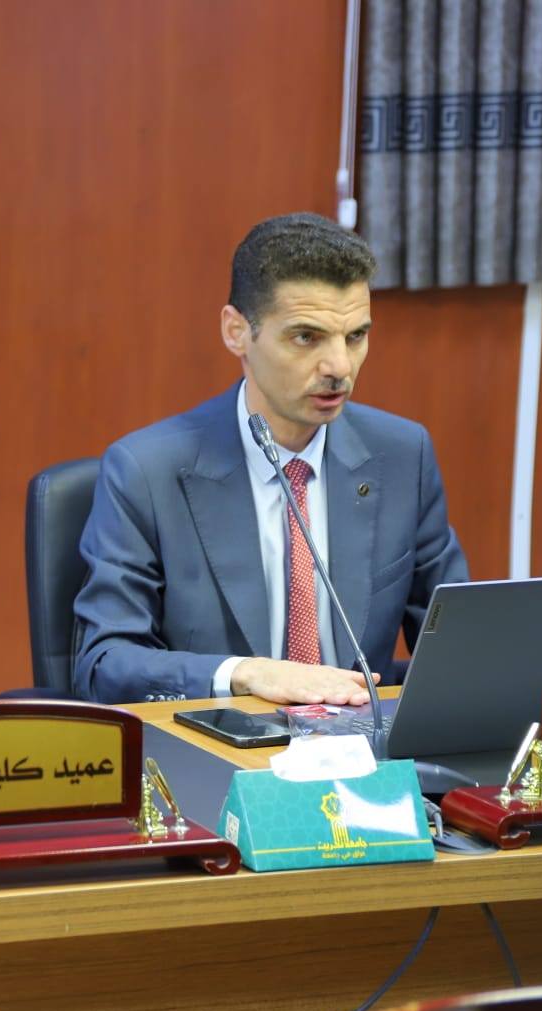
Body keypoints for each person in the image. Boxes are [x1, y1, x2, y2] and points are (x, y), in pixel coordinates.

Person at [72, 213, 468, 705]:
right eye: (306, 337)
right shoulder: (145, 472)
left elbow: (459, 643)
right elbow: (104, 662)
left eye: (355, 336)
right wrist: (245, 673)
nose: (339, 367)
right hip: (217, 746)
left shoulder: (402, 456)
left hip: (361, 746)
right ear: (237, 332)